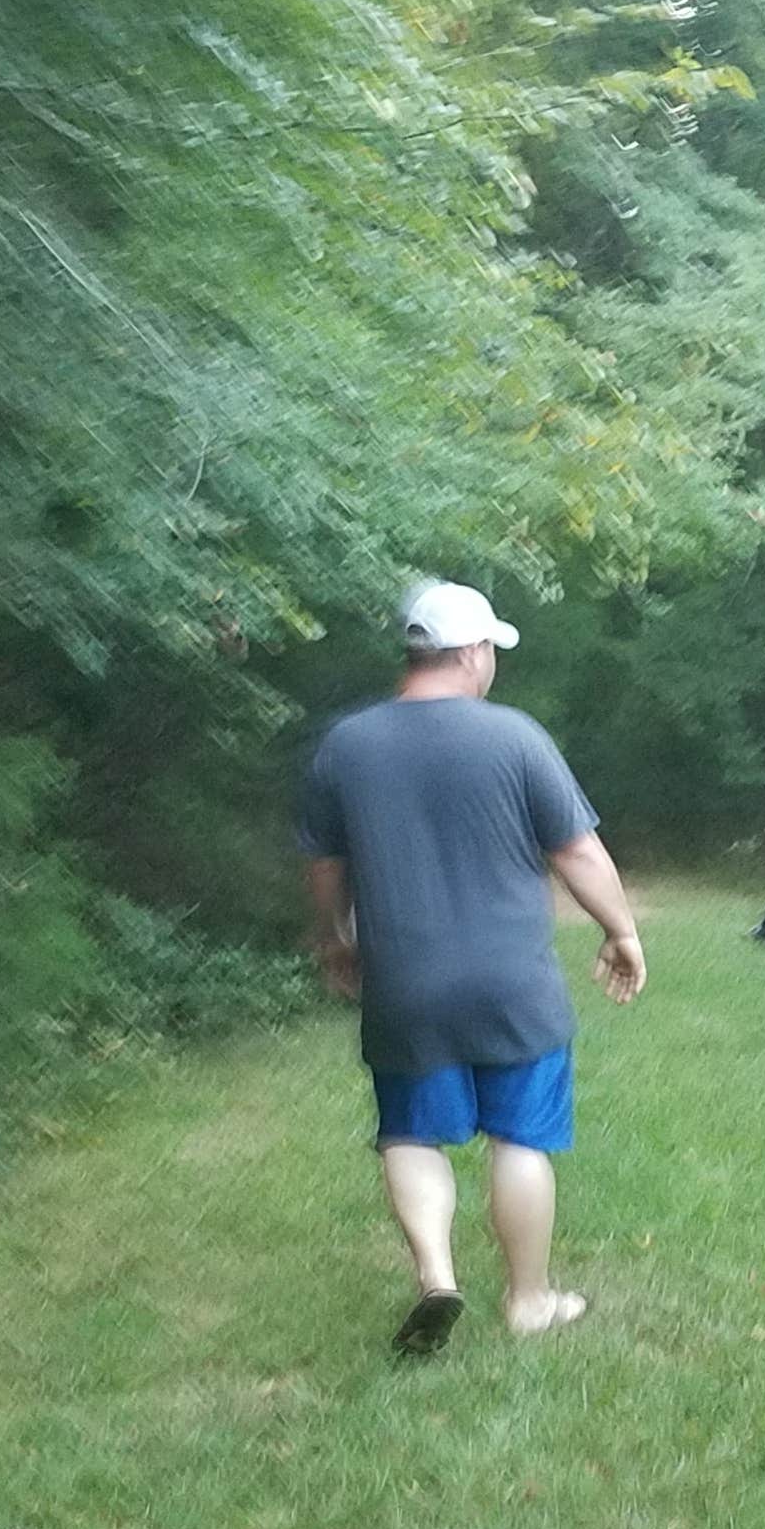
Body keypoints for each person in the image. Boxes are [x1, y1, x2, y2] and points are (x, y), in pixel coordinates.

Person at [298, 580, 646, 1356]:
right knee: (520, 1138)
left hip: (405, 983)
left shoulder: (346, 746)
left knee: (410, 1135)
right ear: (474, 652)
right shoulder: (515, 738)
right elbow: (578, 851)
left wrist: (334, 941)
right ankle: (528, 1300)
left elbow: (325, 867)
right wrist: (620, 930)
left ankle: (436, 1276)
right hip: (512, 985)